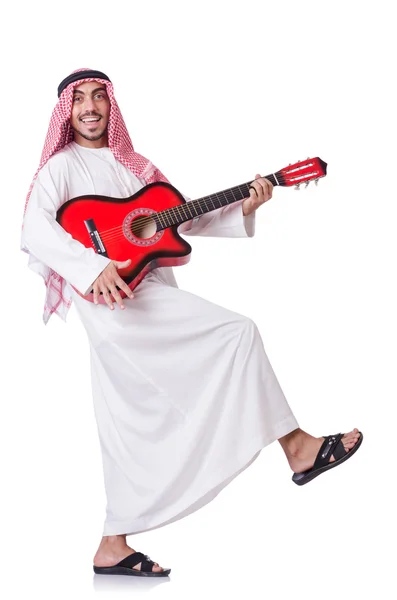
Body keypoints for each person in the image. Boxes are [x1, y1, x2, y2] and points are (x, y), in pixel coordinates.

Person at [21, 68, 363, 578]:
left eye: (99, 98)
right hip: (114, 306)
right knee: (237, 332)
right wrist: (94, 267)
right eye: (80, 100)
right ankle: (298, 449)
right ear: (66, 112)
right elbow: (34, 226)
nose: (90, 108)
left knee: (130, 422)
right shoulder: (59, 169)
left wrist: (246, 203)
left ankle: (111, 544)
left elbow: (173, 218)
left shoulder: (133, 164)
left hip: (151, 292)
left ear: (111, 107)